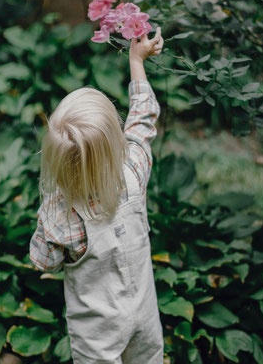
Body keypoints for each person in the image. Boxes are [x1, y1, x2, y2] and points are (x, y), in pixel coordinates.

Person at [29, 27, 165, 364]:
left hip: (97, 332)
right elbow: (143, 121)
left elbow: (44, 262)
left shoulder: (58, 215)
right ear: (116, 141)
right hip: (144, 316)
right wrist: (137, 60)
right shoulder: (133, 171)